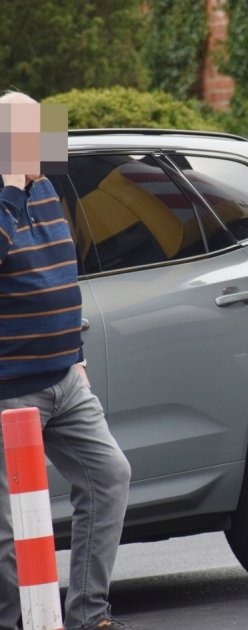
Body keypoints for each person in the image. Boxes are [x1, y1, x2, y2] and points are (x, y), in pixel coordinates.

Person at [0, 91, 134, 630]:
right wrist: (10, 187)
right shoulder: (10, 192)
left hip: (62, 377)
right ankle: (16, 622)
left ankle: (88, 615)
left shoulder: (49, 187)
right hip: (9, 388)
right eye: (29, 133)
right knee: (7, 525)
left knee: (109, 476)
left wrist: (75, 353)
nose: (44, 143)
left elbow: (63, 272)